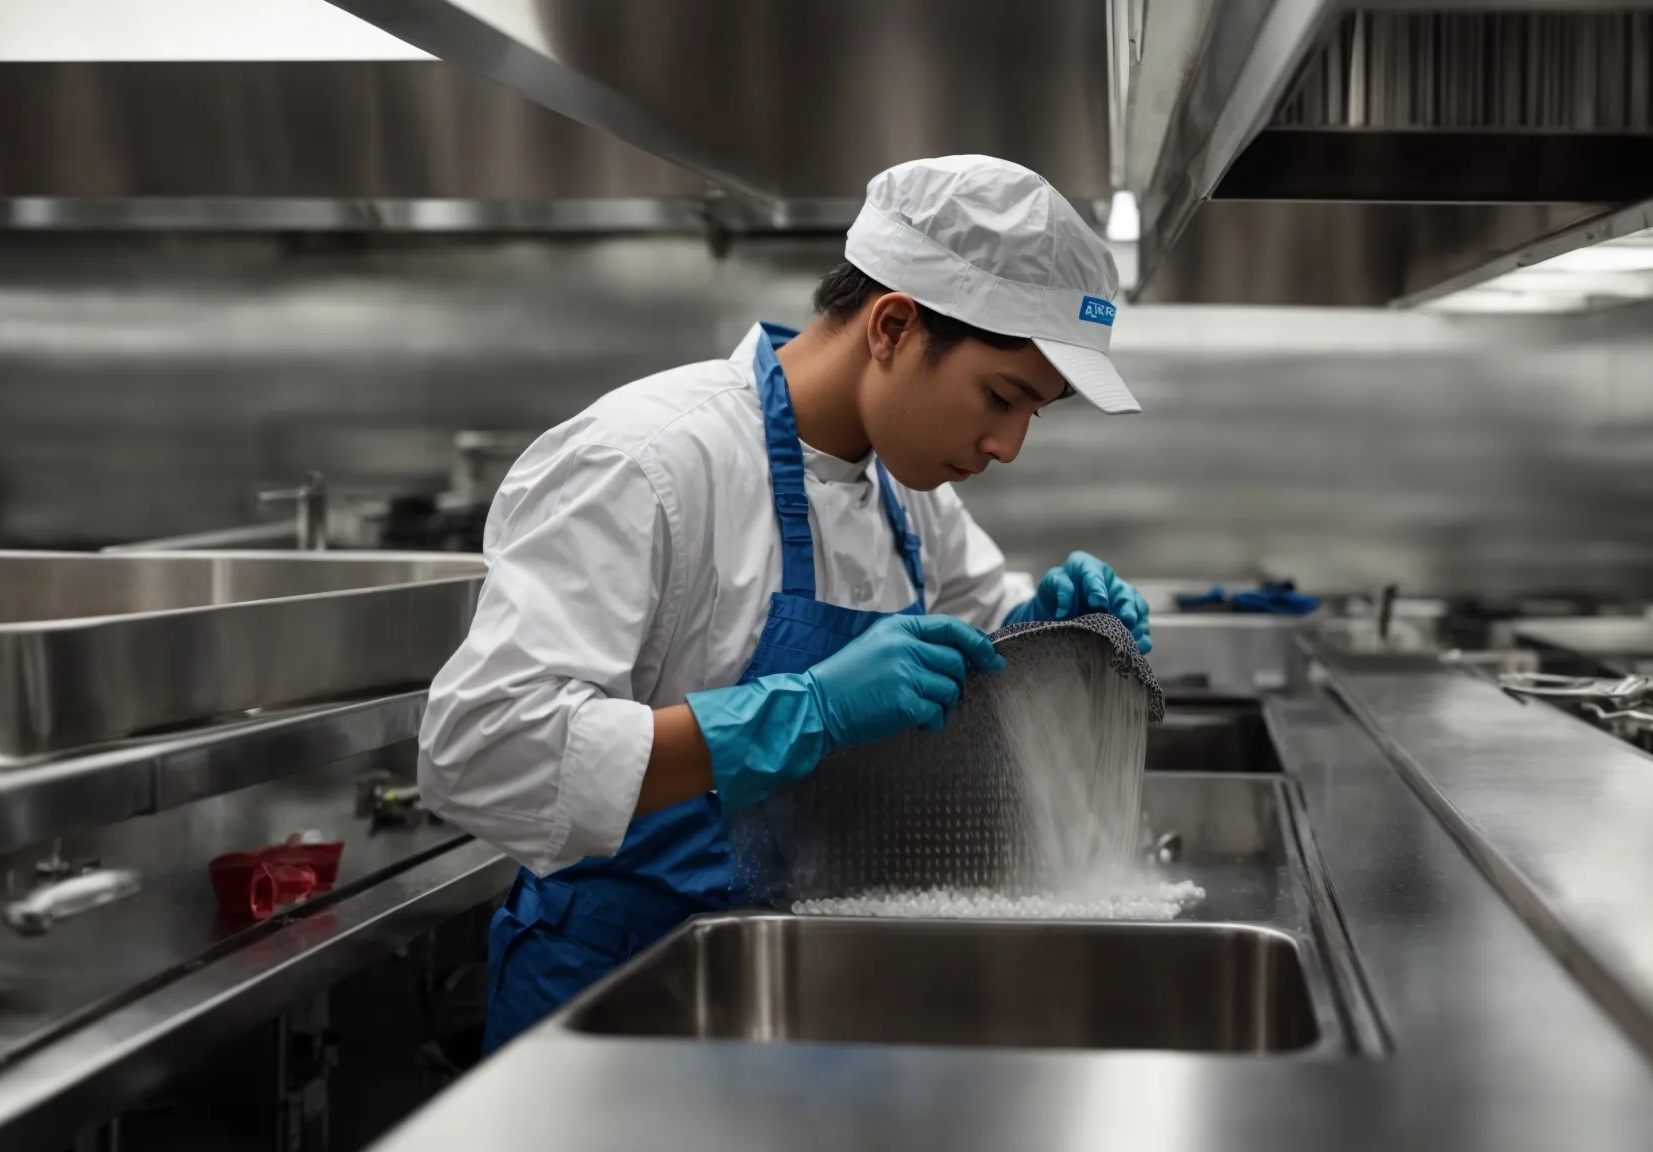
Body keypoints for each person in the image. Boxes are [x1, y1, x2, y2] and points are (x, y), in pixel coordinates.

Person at [419, 155, 1156, 1053]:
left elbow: (969, 624)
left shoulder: (908, 490)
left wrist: (1048, 626)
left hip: (811, 976)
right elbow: (482, 750)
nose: (1007, 445)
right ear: (892, 325)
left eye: (1033, 414)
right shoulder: (647, 462)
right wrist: (802, 713)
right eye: (1001, 397)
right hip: (620, 996)